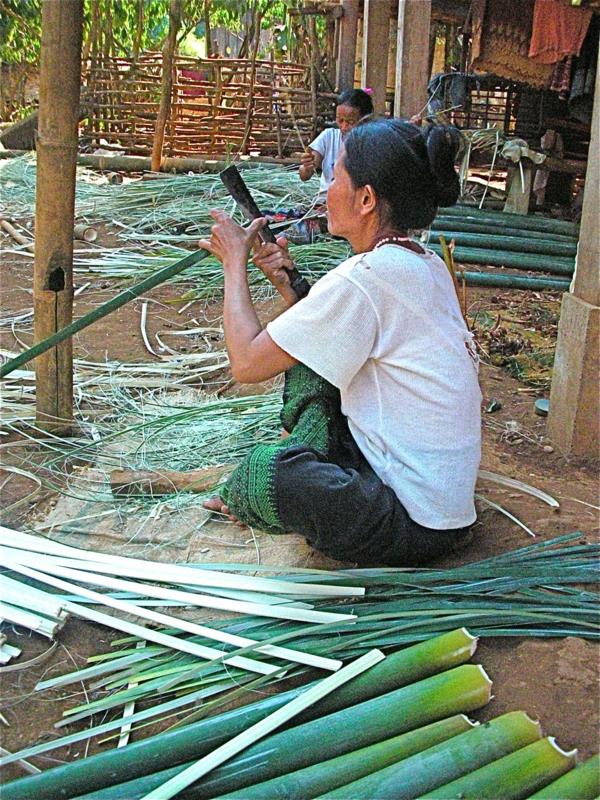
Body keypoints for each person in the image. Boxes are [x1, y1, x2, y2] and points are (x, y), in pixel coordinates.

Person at [199, 119, 482, 566]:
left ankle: (255, 498)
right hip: (442, 511)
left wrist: (234, 265)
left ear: (366, 199)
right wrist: (289, 287)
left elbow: (247, 364)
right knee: (313, 367)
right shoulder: (422, 264)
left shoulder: (366, 278)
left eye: (336, 177)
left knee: (272, 474)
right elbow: (337, 331)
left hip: (411, 525)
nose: (327, 187)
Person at [299, 88, 374, 203]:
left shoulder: (372, 143)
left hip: (357, 206)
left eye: (351, 122)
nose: (344, 127)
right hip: (325, 202)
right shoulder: (328, 137)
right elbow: (305, 176)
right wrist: (306, 167)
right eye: (340, 120)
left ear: (365, 121)